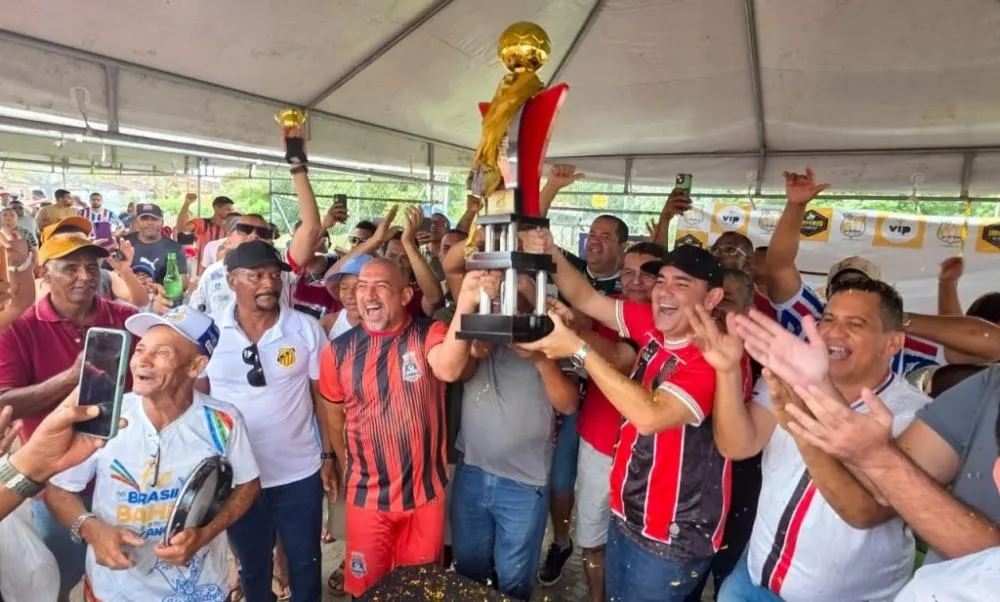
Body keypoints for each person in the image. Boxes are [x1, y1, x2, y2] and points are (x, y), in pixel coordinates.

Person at [524, 242, 731, 601]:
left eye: (681, 283)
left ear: (712, 298)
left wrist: (576, 348)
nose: (664, 290)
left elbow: (651, 415)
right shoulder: (655, 325)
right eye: (661, 280)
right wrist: (547, 248)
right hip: (629, 515)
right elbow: (586, 298)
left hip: (670, 536)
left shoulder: (714, 358)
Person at [713, 280, 930, 602]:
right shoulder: (788, 377)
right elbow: (738, 446)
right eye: (828, 319)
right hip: (753, 576)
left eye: (856, 323)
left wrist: (804, 424)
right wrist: (728, 370)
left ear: (892, 343)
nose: (834, 332)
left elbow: (865, 512)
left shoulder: (919, 416)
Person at [43, 307, 261, 601]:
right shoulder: (105, 415)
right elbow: (58, 490)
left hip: (200, 591)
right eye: (140, 349)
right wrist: (91, 529)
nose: (142, 361)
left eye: (162, 353)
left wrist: (205, 535)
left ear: (195, 366)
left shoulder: (223, 420)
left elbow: (249, 484)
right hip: (115, 592)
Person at [318, 258, 479, 597]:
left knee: (417, 590)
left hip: (424, 496)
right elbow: (334, 418)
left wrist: (466, 300)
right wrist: (349, 470)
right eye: (362, 287)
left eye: (381, 286)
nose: (368, 295)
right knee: (367, 591)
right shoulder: (338, 352)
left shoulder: (429, 333)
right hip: (367, 499)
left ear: (405, 296)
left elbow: (449, 369)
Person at [0, 227, 137, 600]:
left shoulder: (125, 318)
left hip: (125, 478)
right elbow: (6, 402)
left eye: (91, 267)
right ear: (45, 273)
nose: (85, 276)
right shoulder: (20, 328)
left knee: (126, 567)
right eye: (71, 267)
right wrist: (71, 377)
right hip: (53, 481)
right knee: (57, 578)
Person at [198, 240, 331, 602]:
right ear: (231, 280)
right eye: (256, 276)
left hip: (299, 473)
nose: (268, 283)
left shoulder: (305, 329)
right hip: (238, 475)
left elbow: (323, 398)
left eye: (274, 275)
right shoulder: (209, 333)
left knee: (305, 561)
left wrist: (329, 455)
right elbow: (198, 401)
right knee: (252, 565)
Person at [187, 214, 291, 319]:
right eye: (245, 229)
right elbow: (196, 316)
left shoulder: (281, 273)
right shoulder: (212, 273)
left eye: (263, 232)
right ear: (229, 236)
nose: (254, 235)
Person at [125, 203, 186, 283]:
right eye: (144, 219)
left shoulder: (174, 248)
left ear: (162, 222)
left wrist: (157, 286)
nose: (150, 223)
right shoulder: (124, 243)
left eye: (155, 219)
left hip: (162, 291)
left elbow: (183, 280)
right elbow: (111, 275)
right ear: (137, 222)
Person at [320, 254, 371, 339]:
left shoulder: (387, 329)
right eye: (344, 288)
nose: (349, 295)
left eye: (358, 287)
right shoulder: (328, 324)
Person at [176, 194, 235, 264]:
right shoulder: (202, 223)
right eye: (228, 210)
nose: (231, 213)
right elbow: (181, 228)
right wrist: (186, 204)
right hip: (203, 269)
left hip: (225, 268)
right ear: (216, 208)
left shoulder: (233, 227)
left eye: (232, 210)